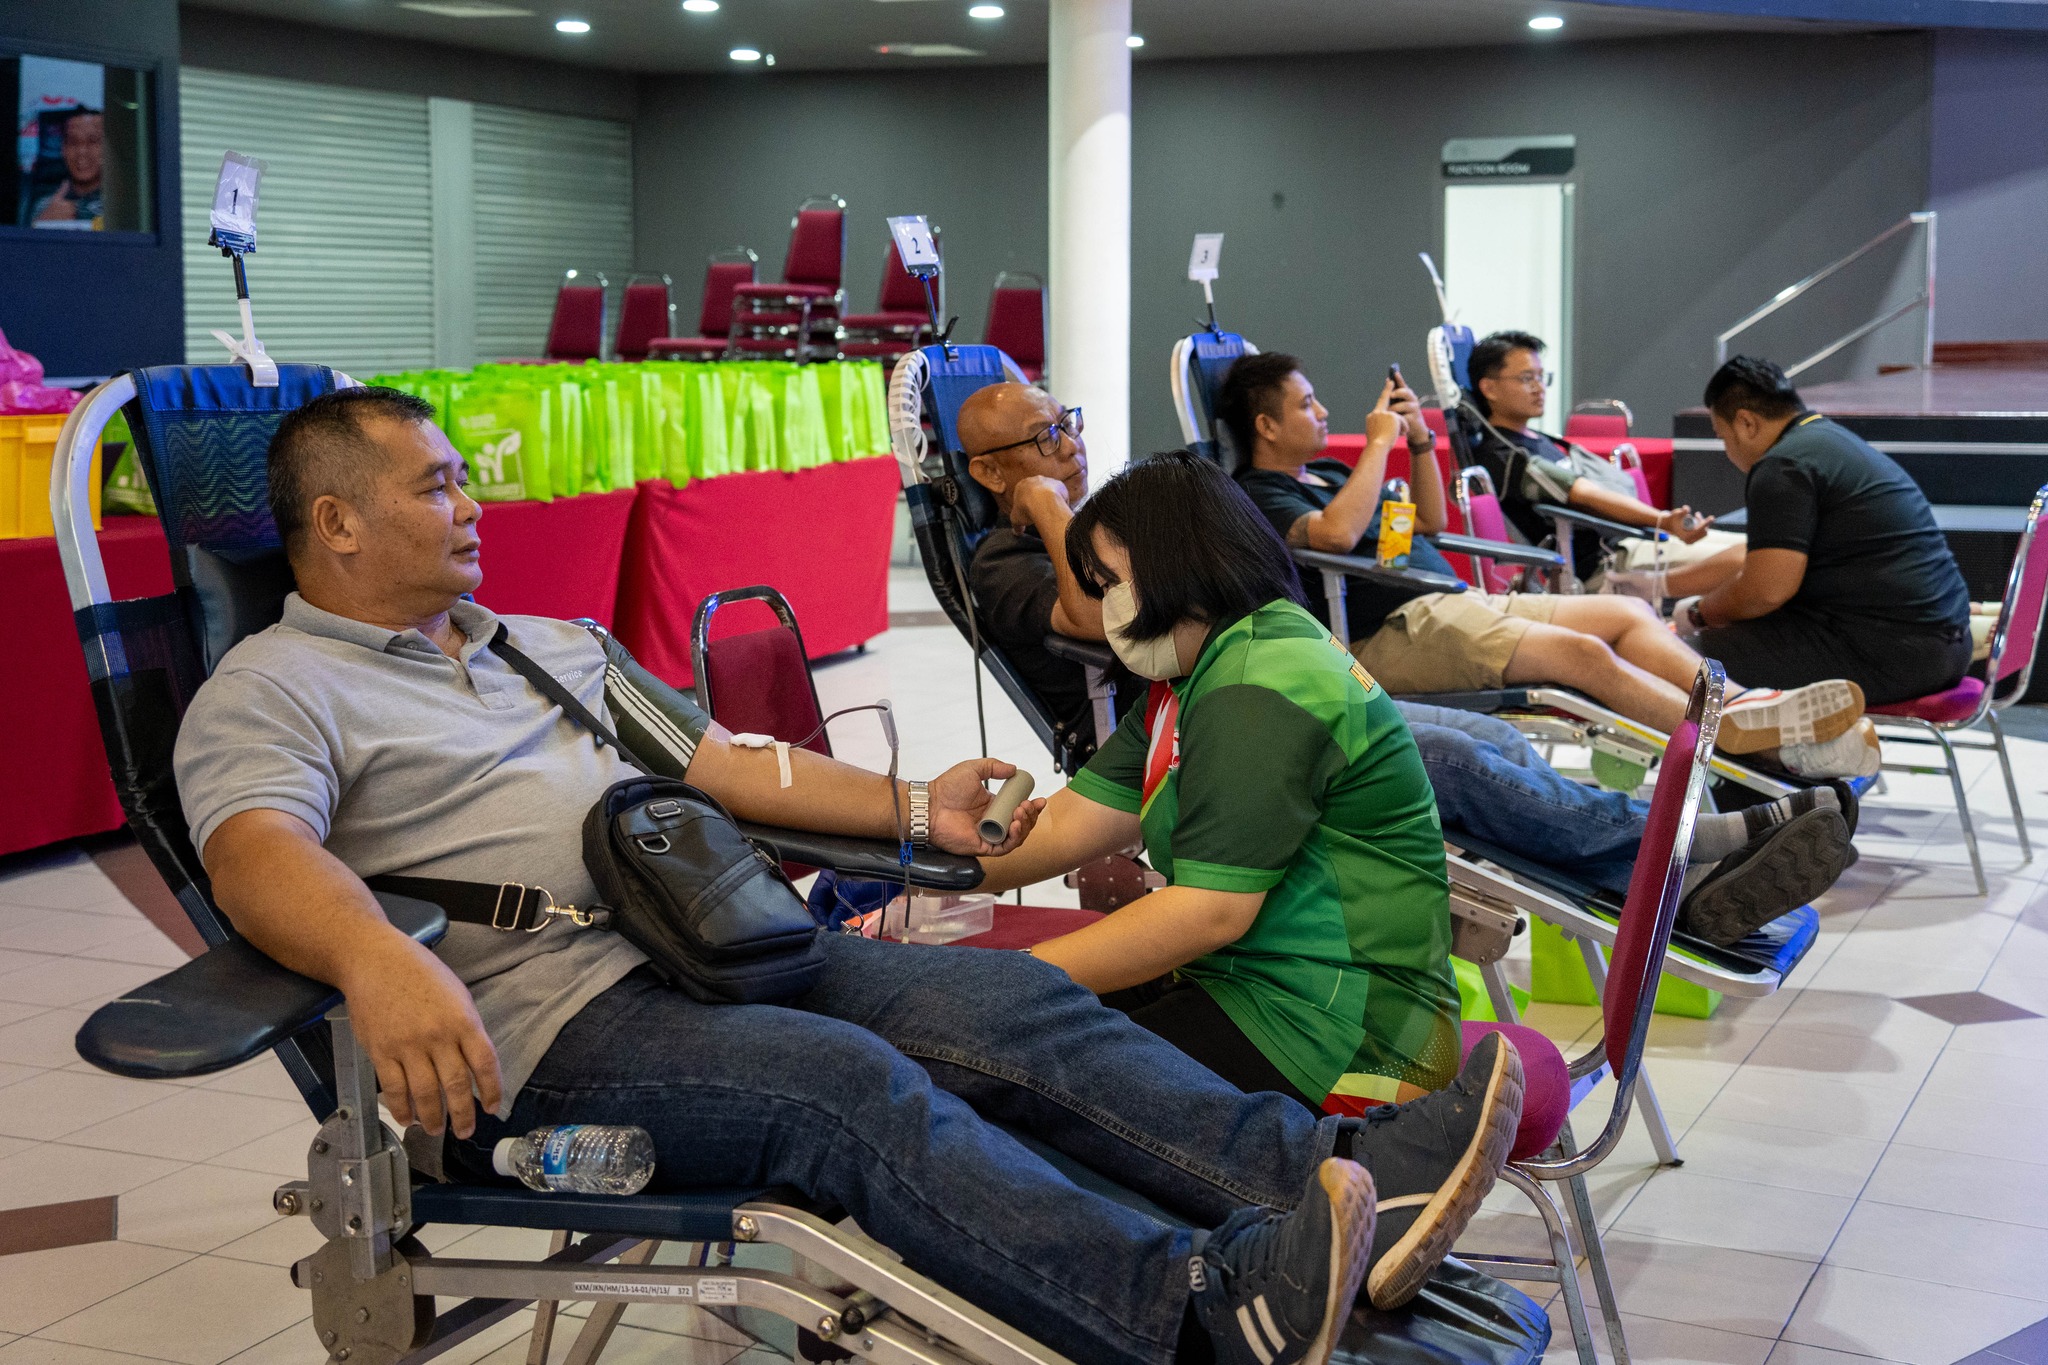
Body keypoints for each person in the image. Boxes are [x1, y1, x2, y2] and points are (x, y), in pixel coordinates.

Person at [173, 386, 1525, 1365]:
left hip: (709, 949)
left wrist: (918, 810)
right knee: (846, 1089)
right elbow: (253, 853)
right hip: (543, 1037)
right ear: (336, 523)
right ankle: (1200, 1309)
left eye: (464, 477)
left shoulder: (544, 645)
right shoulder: (275, 687)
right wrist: (374, 955)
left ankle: (1333, 1177)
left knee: (1013, 1007)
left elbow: (730, 766)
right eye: (436, 486)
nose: (472, 504)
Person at [956, 382, 1852, 948]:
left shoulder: (1133, 518)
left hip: (1242, 696)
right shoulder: (1005, 557)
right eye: (1042, 438)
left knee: (1486, 742)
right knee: (1453, 758)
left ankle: (1673, 856)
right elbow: (1097, 613)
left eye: (1067, 423)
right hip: (1206, 732)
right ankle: (1680, 857)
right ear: (990, 473)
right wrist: (1045, 504)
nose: (1068, 444)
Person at [974, 453, 1525, 1313]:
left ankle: (1203, 1284)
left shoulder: (1259, 679)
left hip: (1346, 1035)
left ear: (1174, 561)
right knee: (1018, 1046)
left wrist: (1010, 981)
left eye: (1109, 581)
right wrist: (910, 848)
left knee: (1014, 1083)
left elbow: (1209, 913)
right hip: (1270, 995)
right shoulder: (1197, 675)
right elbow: (1068, 824)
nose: (1104, 607)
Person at [1219, 351, 1870, 778]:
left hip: (1449, 602)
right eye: (1305, 404)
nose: (1323, 412)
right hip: (1389, 631)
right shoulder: (1258, 492)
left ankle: (1744, 708)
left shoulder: (1328, 473)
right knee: (1581, 656)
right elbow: (1335, 535)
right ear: (1266, 426)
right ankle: (1733, 740)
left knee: (1626, 611)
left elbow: (1431, 523)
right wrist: (1378, 444)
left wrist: (1417, 442)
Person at [1669, 356, 1974, 713]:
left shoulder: (1783, 466)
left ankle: (1782, 749)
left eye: (1723, 437)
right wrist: (1666, 588)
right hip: (1946, 646)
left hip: (1893, 655)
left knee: (1669, 659)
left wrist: (1699, 614)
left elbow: (1765, 591)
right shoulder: (1827, 440)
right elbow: (1760, 560)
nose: (1727, 450)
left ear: (1746, 423)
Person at [1462, 330, 1742, 592]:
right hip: (1609, 561)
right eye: (1526, 379)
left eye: (1541, 376)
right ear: (1489, 388)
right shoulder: (1503, 456)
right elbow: (1585, 494)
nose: (1539, 388)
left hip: (1633, 541)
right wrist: (1663, 521)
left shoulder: (1538, 439)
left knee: (1756, 551)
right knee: (1751, 559)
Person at [30, 109, 105, 228]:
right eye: (73, 142)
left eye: (93, 141)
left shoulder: (121, 202)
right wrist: (43, 223)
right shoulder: (43, 204)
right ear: (63, 149)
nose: (82, 152)